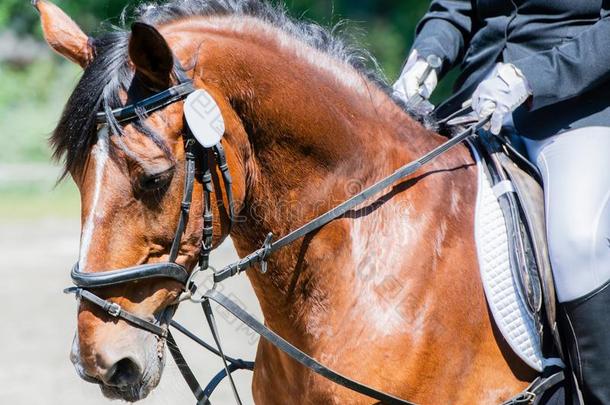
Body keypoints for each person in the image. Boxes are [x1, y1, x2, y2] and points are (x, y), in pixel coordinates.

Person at [393, 1, 610, 403]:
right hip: (476, 104)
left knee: (578, 242)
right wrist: (425, 60)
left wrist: (533, 78)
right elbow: (453, 9)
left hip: (574, 108)